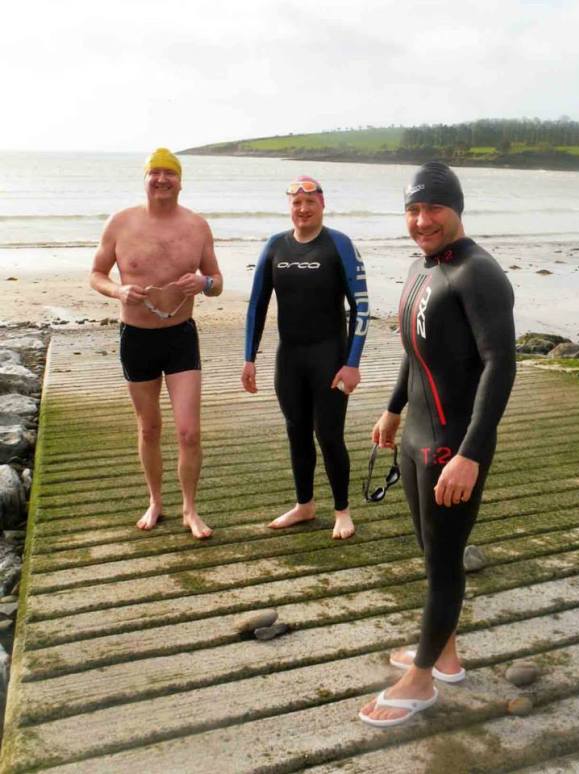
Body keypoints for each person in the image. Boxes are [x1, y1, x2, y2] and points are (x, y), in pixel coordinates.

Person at [359, 161, 516, 727]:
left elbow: (501, 364)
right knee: (432, 554)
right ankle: (444, 655)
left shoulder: (479, 274)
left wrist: (472, 452)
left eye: (433, 209)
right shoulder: (424, 267)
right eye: (413, 210)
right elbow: (414, 347)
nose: (422, 220)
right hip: (418, 438)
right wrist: (393, 408)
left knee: (445, 561)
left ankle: (421, 681)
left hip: (454, 444)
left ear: (457, 209)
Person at [89, 148, 223, 539]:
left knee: (188, 432)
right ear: (145, 179)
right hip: (137, 338)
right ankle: (155, 501)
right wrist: (118, 290)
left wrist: (204, 283)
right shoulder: (120, 223)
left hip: (181, 337)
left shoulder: (197, 226)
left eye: (170, 173)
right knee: (149, 429)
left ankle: (190, 509)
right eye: (155, 173)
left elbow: (217, 283)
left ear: (180, 181)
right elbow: (96, 274)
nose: (162, 179)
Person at [241, 175, 369, 540]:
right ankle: (304, 505)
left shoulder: (339, 245)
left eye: (310, 202)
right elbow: (257, 306)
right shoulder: (275, 246)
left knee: (329, 435)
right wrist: (249, 357)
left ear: (322, 205)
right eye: (296, 202)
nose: (303, 208)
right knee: (296, 432)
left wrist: (353, 362)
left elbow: (361, 307)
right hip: (290, 357)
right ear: (290, 207)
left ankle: (342, 510)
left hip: (330, 357)